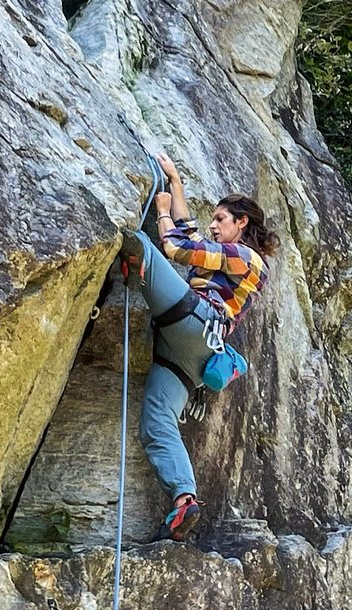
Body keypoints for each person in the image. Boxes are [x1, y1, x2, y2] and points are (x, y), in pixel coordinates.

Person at [116, 152, 275, 542]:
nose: (214, 225)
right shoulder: (228, 257)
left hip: (196, 320)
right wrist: (175, 182)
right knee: (157, 422)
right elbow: (192, 235)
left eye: (221, 219)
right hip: (192, 353)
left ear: (242, 222)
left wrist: (162, 212)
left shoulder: (248, 258)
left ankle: (133, 264)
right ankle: (184, 499)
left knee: (141, 243)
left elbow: (178, 248)